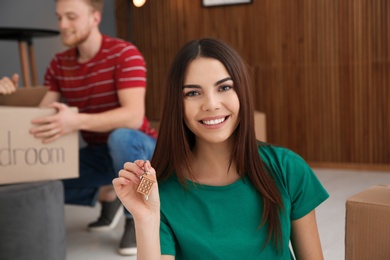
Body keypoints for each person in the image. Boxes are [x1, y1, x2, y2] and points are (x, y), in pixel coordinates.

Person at [113, 38, 329, 259]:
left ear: (242, 92)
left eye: (224, 87)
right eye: (193, 93)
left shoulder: (287, 168)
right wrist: (145, 219)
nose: (211, 104)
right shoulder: (161, 194)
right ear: (177, 104)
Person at [0, 0, 157, 256]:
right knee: (37, 180)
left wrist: (76, 121)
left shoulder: (124, 54)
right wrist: (7, 97)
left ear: (95, 17)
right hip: (99, 154)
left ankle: (136, 217)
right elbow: (39, 119)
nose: (62, 25)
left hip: (142, 150)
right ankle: (109, 194)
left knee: (120, 139)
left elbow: (133, 116)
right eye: (59, 17)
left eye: (71, 17)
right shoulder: (59, 64)